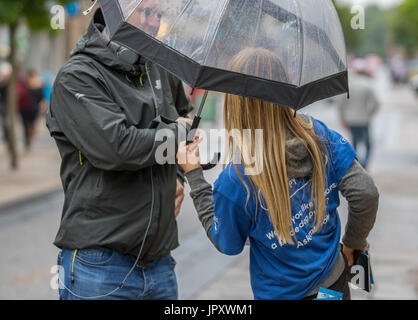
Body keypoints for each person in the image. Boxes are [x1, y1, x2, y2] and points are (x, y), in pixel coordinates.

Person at [177, 48, 379, 300]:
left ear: (235, 101)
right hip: (333, 287)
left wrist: (194, 175)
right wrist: (353, 243)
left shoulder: (237, 178)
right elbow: (366, 193)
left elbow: (226, 242)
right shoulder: (318, 134)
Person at [47, 3, 193, 300]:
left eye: (158, 14)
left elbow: (188, 124)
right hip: (98, 267)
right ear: (114, 10)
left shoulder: (162, 69)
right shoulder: (77, 76)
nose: (154, 23)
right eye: (145, 12)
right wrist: (178, 133)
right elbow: (119, 147)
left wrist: (178, 175)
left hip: (160, 265)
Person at [337, 67, 380, 170]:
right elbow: (376, 103)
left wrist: (343, 120)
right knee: (368, 144)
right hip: (364, 119)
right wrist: (369, 114)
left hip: (350, 119)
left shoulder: (348, 86)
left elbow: (340, 105)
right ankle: (365, 164)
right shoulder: (367, 85)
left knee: (355, 143)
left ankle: (356, 164)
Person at [19, 70, 45, 150]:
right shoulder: (25, 85)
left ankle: (29, 139)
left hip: (32, 109)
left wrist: (43, 105)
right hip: (25, 108)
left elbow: (41, 98)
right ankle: (28, 140)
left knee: (31, 125)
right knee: (26, 125)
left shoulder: (37, 86)